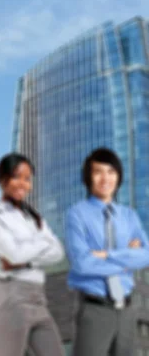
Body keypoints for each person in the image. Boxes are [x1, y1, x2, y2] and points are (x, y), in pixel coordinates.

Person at [66, 147, 149, 356]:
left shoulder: (129, 216)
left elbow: (146, 255)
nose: (105, 178)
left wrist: (108, 255)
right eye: (98, 172)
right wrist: (127, 256)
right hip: (95, 309)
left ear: (119, 176)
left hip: (127, 309)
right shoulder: (77, 214)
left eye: (111, 172)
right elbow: (82, 263)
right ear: (88, 177)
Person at [0, 153, 64, 356]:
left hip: (38, 298)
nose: (23, 183)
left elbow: (58, 252)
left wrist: (27, 255)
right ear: (3, 180)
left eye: (27, 179)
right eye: (16, 177)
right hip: (11, 296)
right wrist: (41, 243)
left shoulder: (33, 217)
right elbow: (15, 255)